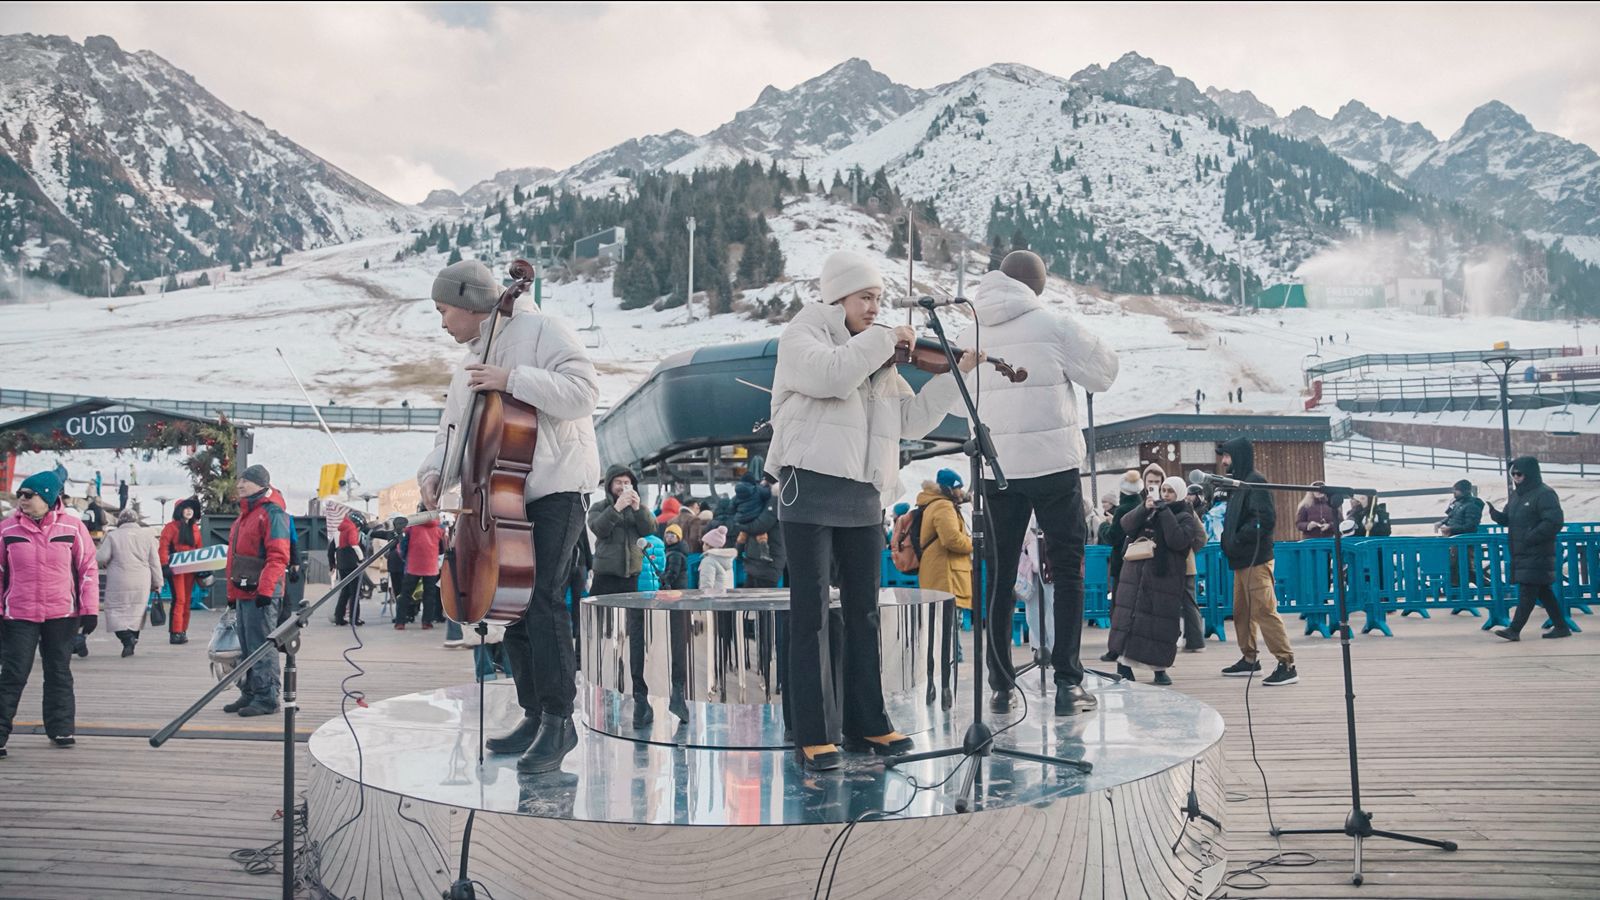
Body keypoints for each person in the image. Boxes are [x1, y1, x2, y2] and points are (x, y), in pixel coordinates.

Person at [768, 248, 972, 771]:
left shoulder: (875, 358)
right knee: (811, 614)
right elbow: (831, 377)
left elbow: (912, 419)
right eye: (866, 297)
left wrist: (955, 376)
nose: (875, 307)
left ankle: (868, 721)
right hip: (808, 489)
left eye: (879, 298)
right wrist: (884, 339)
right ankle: (814, 732)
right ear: (838, 296)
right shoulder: (804, 334)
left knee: (864, 612)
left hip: (863, 495)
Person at [418, 258, 601, 774]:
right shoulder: (468, 363)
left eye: (444, 310)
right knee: (511, 604)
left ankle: (560, 721)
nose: (442, 322)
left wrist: (512, 379)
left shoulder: (544, 329)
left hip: (556, 485)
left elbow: (584, 394)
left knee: (542, 598)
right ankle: (534, 712)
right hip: (499, 496)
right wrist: (433, 474)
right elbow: (452, 434)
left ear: (470, 303)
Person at [955, 250, 1119, 718]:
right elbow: (1104, 374)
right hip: (1053, 466)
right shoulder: (1055, 325)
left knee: (1000, 576)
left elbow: (953, 401)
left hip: (997, 470)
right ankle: (1068, 682)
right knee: (1066, 571)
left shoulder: (971, 332)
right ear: (1038, 286)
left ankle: (1000, 685)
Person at [0, 472, 99, 756]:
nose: (22, 500)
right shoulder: (7, 529)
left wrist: (89, 610)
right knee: (13, 674)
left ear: (47, 497)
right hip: (19, 613)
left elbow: (88, 569)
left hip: (61, 612)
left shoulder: (72, 527)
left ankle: (61, 728)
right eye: (20, 494)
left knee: (58, 671)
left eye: (28, 495)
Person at [1107, 476, 1206, 685]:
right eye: (1164, 490)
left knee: (1160, 625)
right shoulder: (1149, 510)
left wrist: (1165, 512)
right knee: (1130, 620)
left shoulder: (1185, 515)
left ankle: (1159, 668)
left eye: (1170, 491)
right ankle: (1124, 665)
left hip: (1164, 578)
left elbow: (1177, 540)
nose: (1166, 495)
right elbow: (1126, 524)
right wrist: (1144, 508)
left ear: (1179, 493)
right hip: (1135, 574)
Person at [1217, 437, 1297, 686]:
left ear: (1237, 456)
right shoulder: (1239, 484)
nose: (1223, 461)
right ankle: (1249, 658)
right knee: (1242, 613)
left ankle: (1287, 664)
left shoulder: (1255, 482)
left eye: (1227, 456)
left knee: (1264, 611)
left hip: (1256, 560)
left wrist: (1238, 538)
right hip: (1241, 561)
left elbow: (1265, 519)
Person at [222, 465, 292, 717]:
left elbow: (278, 555)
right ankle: (251, 692)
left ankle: (267, 697)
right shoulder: (245, 515)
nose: (240, 485)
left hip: (261, 591)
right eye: (239, 480)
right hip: (244, 588)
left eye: (246, 481)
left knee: (262, 645)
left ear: (262, 484)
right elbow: (234, 558)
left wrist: (266, 590)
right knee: (246, 645)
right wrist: (232, 594)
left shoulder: (272, 513)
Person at [1491, 457, 1570, 641]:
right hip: (1521, 552)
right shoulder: (1517, 495)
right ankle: (1561, 627)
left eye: (1519, 474)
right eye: (1513, 474)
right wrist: (1497, 516)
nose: (1515, 477)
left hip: (1538, 551)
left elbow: (1554, 521)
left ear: (1530, 473)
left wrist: (1532, 536)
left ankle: (1514, 629)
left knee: (1527, 591)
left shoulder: (1544, 494)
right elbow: (1509, 519)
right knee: (1543, 591)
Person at [915, 468, 972, 708]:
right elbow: (952, 540)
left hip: (939, 575)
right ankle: (944, 688)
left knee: (942, 634)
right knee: (947, 636)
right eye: (958, 487)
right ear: (949, 488)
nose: (961, 492)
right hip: (946, 577)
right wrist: (974, 543)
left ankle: (938, 686)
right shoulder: (943, 507)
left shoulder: (933, 505)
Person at [96, 508, 163, 657]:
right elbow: (154, 562)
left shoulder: (113, 536)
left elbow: (101, 557)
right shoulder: (148, 536)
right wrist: (158, 582)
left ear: (120, 521)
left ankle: (127, 639)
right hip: (142, 580)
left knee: (115, 611)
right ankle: (132, 640)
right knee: (136, 612)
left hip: (119, 579)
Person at [157, 498, 203, 644]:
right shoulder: (171, 527)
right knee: (180, 599)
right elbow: (163, 546)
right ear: (179, 511)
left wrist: (201, 567)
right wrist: (164, 565)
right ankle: (176, 632)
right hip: (175, 569)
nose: (189, 511)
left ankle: (182, 631)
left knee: (187, 600)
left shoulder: (195, 528)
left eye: (191, 508)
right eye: (186, 508)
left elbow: (199, 549)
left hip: (190, 569)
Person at [399, 507, 444, 629]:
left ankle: (400, 622)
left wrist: (404, 557)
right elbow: (441, 548)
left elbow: (404, 545)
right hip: (431, 566)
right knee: (429, 595)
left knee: (406, 594)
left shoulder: (412, 528)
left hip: (414, 565)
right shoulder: (438, 528)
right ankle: (426, 622)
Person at [1440, 479, 1485, 591]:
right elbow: (1451, 516)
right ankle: (1457, 590)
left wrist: (1451, 528)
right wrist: (1442, 523)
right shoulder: (1457, 503)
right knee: (1459, 568)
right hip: (1455, 541)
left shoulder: (1472, 505)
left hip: (1465, 542)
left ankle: (1492, 587)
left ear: (1464, 491)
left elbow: (1470, 526)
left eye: (1456, 490)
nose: (1454, 493)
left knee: (1463, 568)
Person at [331, 508, 364, 626]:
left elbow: (331, 549)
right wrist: (361, 559)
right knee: (355, 592)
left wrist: (332, 564)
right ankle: (354, 618)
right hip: (351, 563)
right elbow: (354, 544)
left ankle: (339, 617)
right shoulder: (351, 528)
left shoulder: (340, 530)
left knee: (345, 591)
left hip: (341, 563)